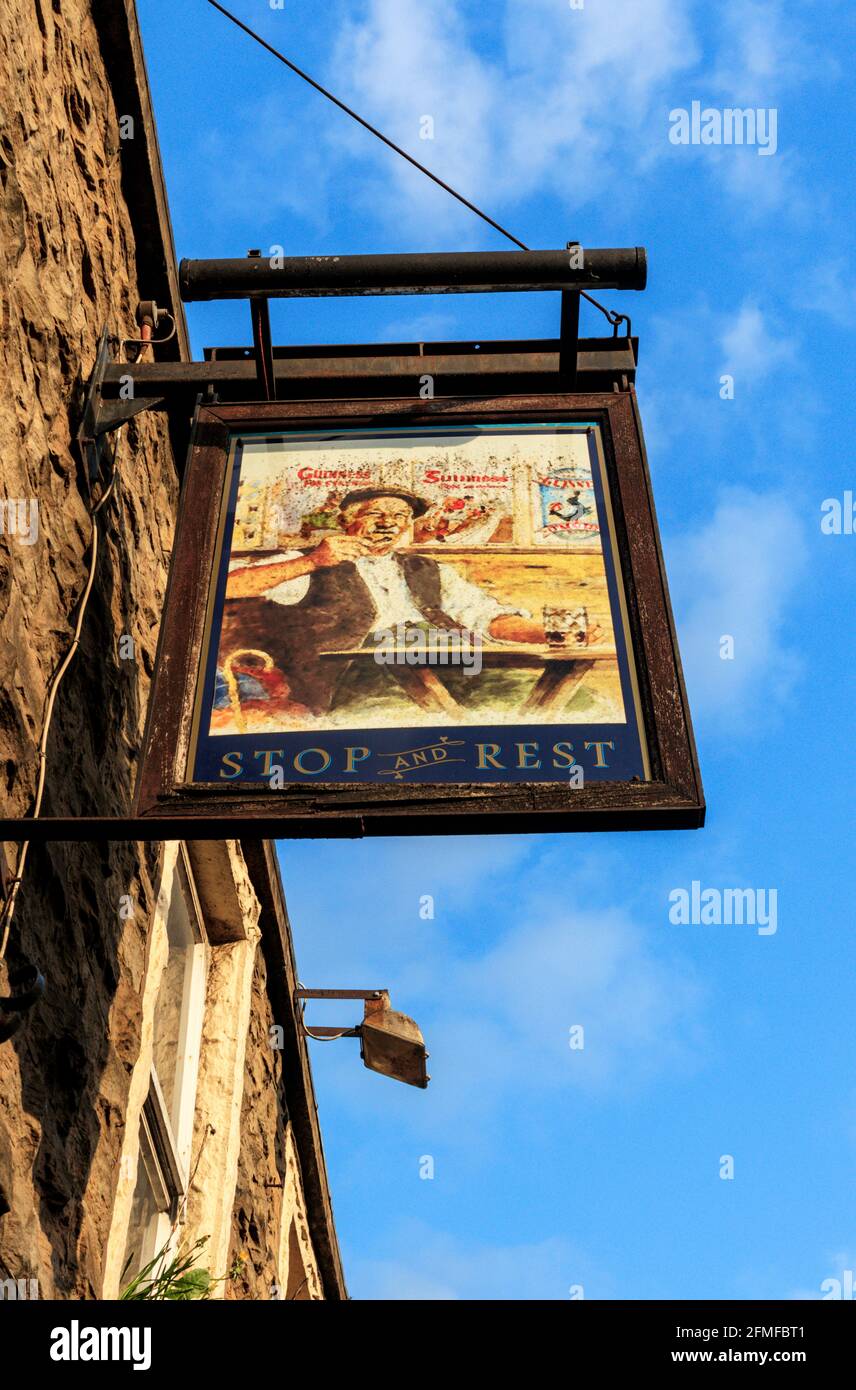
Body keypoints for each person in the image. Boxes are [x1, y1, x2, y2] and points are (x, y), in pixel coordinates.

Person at [221, 486, 548, 714]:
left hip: (446, 663)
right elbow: (228, 585)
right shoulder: (314, 561)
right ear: (347, 522)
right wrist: (311, 562)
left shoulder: (427, 569)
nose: (388, 523)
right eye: (376, 513)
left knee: (533, 692)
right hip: (361, 675)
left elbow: (483, 614)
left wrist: (545, 634)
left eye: (400, 516)